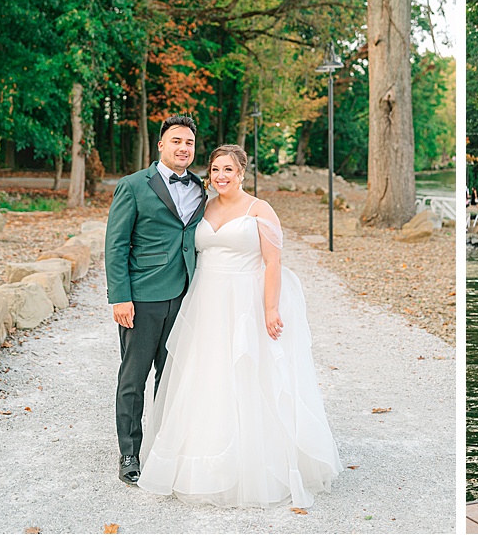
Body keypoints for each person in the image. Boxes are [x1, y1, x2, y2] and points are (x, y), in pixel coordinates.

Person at [137, 144, 340, 506]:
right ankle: (199, 458)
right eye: (215, 169)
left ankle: (254, 463)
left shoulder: (259, 209)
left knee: (246, 375)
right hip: (205, 300)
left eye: (228, 169)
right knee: (206, 375)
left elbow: (273, 263)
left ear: (242, 172)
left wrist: (270, 308)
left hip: (245, 300)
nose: (220, 176)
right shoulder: (203, 206)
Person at [106, 115, 206, 486]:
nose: (184, 148)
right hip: (143, 297)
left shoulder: (200, 188)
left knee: (174, 376)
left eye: (190, 143)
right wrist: (120, 297)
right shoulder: (132, 186)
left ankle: (166, 447)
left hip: (185, 296)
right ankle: (129, 452)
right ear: (161, 145)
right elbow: (115, 245)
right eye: (177, 141)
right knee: (133, 378)